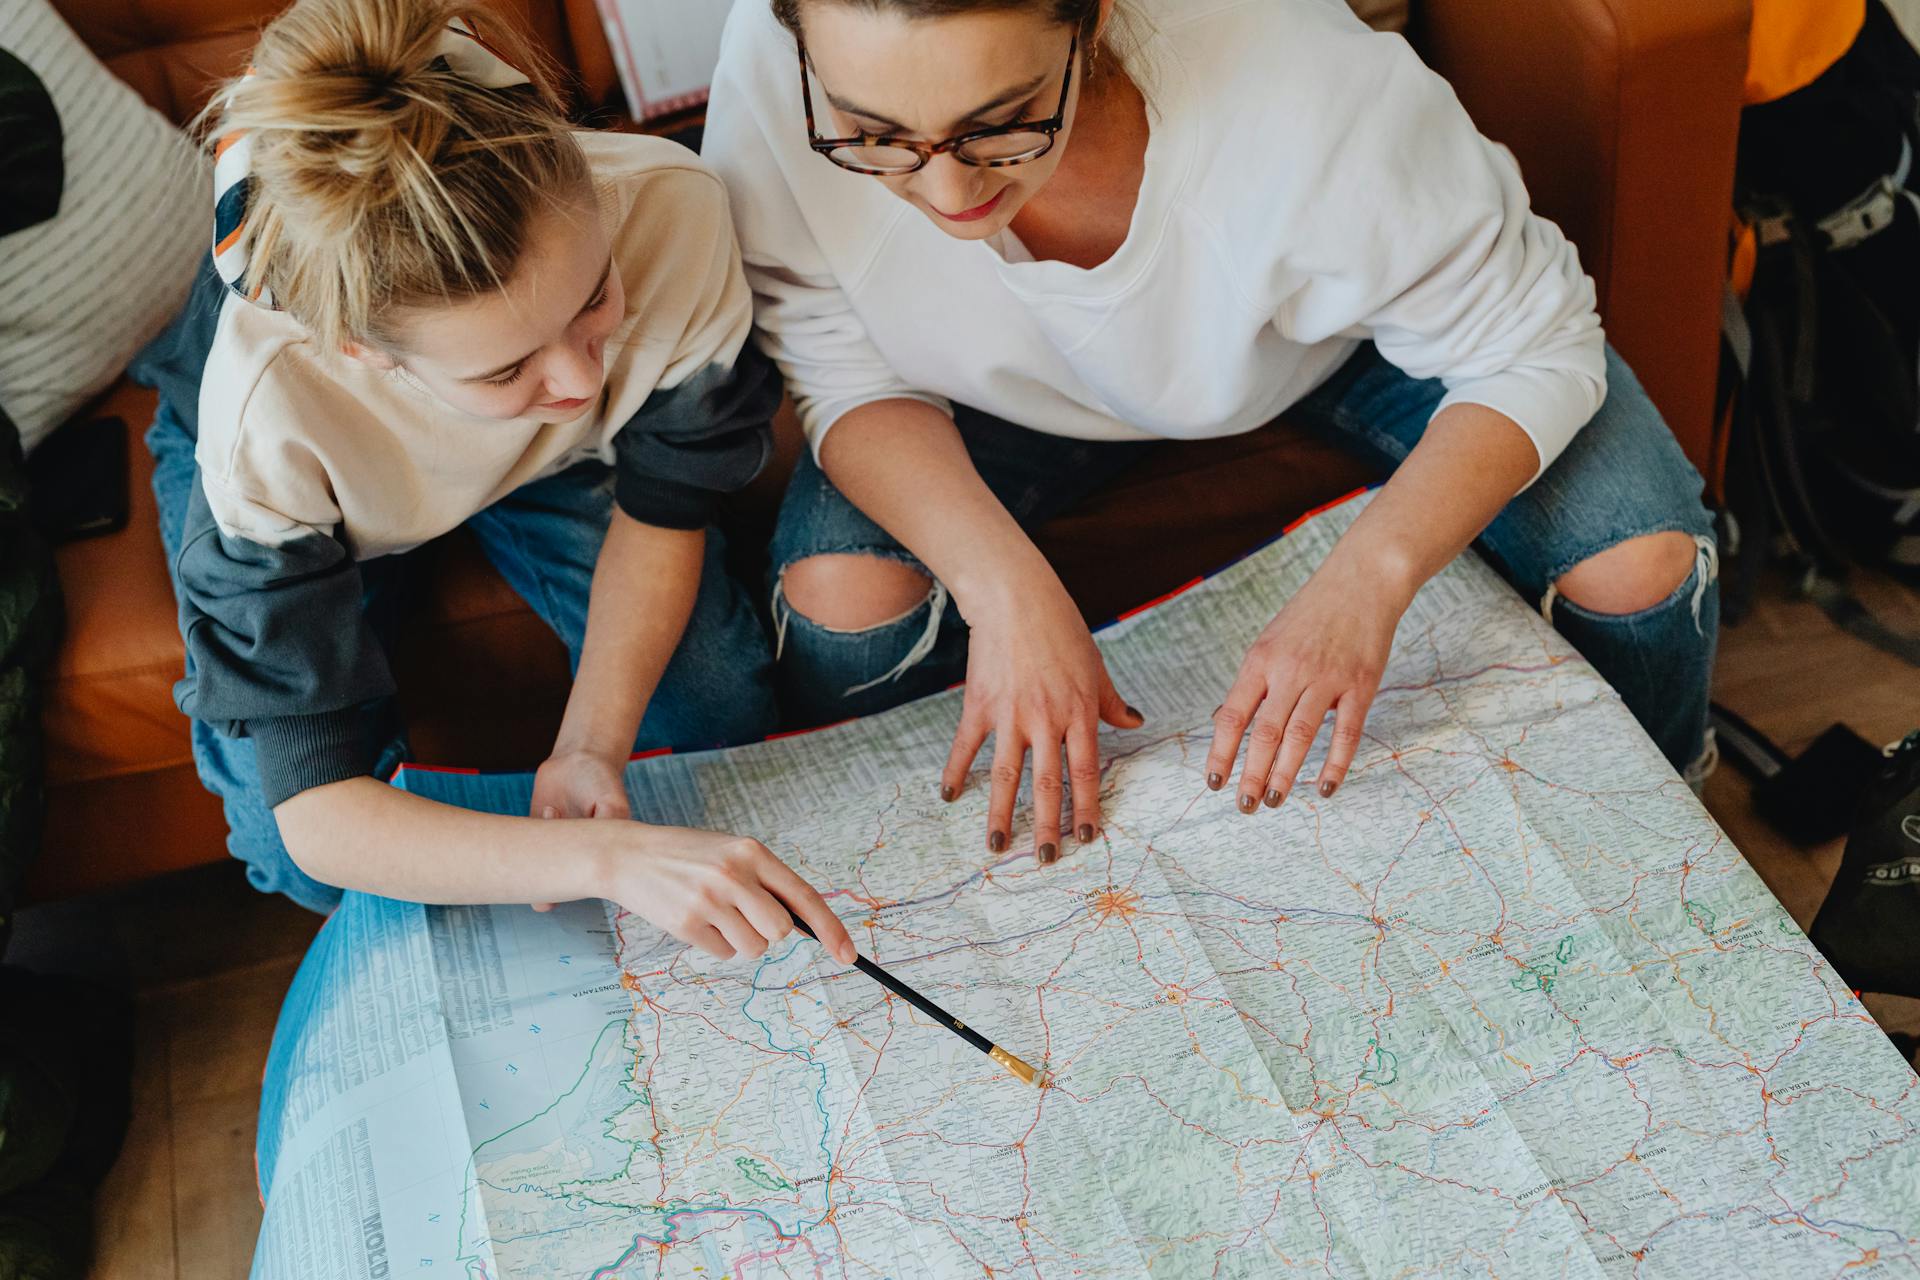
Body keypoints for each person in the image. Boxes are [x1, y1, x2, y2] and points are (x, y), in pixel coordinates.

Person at [703, 0, 1722, 865]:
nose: (946, 194)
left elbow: (1535, 349)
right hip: (974, 396)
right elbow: (843, 370)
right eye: (873, 134)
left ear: (1092, 18)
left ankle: (1664, 852)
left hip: (1331, 351)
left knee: (1637, 567)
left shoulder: (1310, 90)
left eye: (1002, 126)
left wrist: (1369, 580)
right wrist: (1001, 586)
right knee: (846, 605)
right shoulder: (778, 51)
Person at [141, 0, 853, 964]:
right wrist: (599, 861)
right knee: (291, 857)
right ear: (364, 354)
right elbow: (318, 817)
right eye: (505, 367)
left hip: (546, 467)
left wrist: (593, 748)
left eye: (594, 298)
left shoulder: (666, 206)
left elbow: (667, 506)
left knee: (716, 711)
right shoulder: (267, 416)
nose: (583, 382)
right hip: (329, 503)